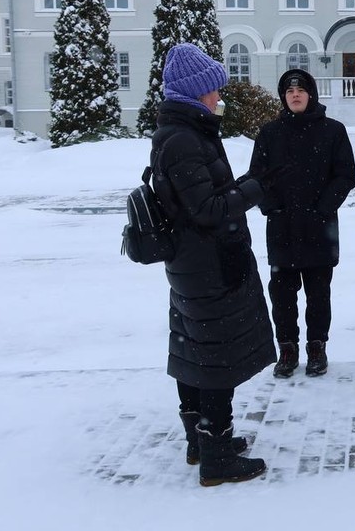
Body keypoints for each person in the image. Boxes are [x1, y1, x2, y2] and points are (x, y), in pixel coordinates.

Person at [151, 42, 276, 486]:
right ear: (194, 93)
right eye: (212, 91)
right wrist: (254, 189)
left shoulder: (184, 133)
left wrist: (241, 185)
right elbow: (206, 209)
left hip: (195, 263)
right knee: (214, 357)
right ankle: (217, 452)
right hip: (209, 265)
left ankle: (200, 440)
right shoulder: (183, 139)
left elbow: (199, 200)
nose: (217, 98)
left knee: (194, 349)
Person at [248, 68, 355, 379]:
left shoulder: (333, 131)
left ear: (311, 94)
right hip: (283, 228)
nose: (295, 95)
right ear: (284, 97)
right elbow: (257, 177)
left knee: (318, 294)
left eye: (301, 90)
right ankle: (287, 348)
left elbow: (346, 174)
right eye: (289, 91)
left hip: (319, 228)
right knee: (282, 295)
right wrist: (272, 207)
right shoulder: (270, 133)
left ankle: (316, 347)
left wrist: (323, 207)